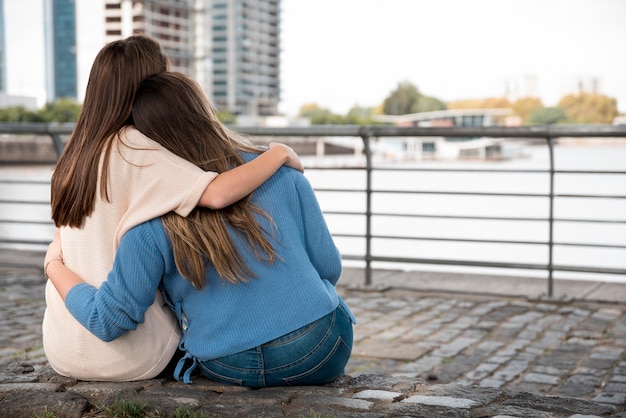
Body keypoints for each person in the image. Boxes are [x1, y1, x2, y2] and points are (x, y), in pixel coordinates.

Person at [44, 71, 355, 387]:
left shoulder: (149, 217)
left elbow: (107, 320)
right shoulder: (280, 172)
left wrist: (54, 264)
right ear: (204, 112)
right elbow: (329, 268)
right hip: (322, 349)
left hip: (230, 361)